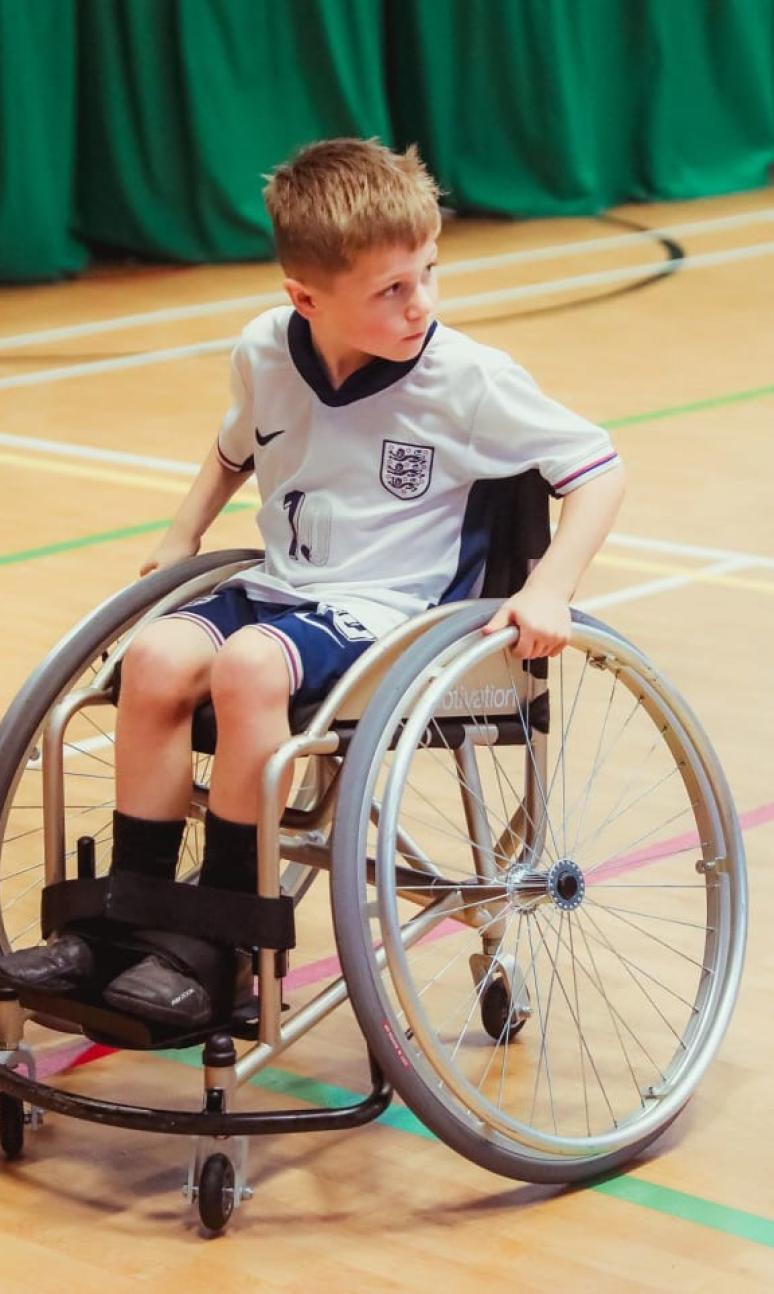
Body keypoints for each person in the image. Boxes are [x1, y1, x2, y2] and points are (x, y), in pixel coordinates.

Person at [0, 138, 624, 1027]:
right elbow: (234, 445)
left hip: (394, 612)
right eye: (392, 290)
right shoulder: (264, 349)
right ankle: (126, 923)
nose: (422, 306)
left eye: (429, 275)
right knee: (155, 655)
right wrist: (184, 528)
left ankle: (218, 940)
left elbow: (598, 470)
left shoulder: (468, 380)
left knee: (252, 667)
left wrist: (552, 587)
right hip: (286, 586)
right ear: (304, 298)